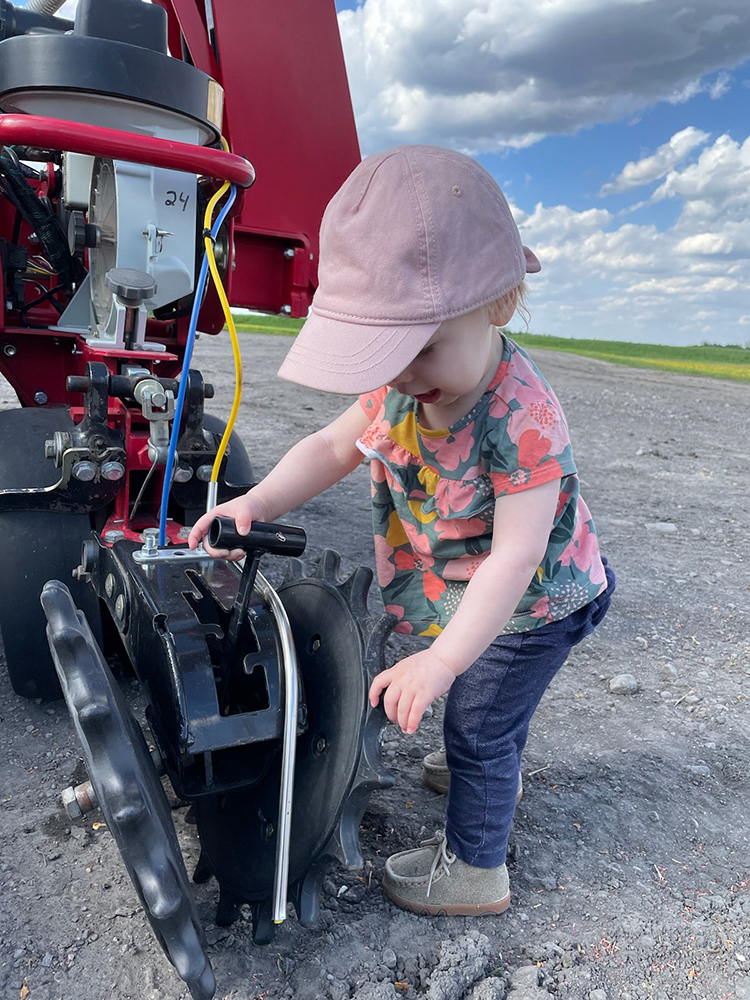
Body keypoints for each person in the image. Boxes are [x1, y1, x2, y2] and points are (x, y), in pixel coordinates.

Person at [188, 145, 616, 917]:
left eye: (421, 349)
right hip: (480, 587)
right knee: (481, 705)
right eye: (387, 354)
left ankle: (476, 870)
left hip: (536, 602)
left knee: (479, 716)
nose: (405, 375)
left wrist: (443, 661)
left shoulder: (523, 418)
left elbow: (517, 556)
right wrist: (255, 503)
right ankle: (488, 755)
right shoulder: (399, 389)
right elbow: (327, 447)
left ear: (500, 302)